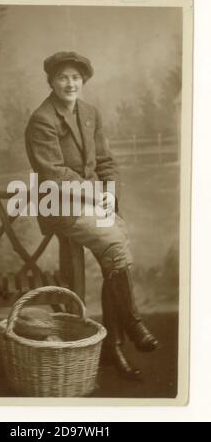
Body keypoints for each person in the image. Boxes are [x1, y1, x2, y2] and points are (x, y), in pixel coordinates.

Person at [25, 51, 158, 380]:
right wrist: (98, 195)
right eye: (62, 78)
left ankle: (113, 345)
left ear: (83, 80)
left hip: (93, 201)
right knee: (116, 244)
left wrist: (110, 194)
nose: (70, 83)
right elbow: (54, 175)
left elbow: (107, 163)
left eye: (75, 77)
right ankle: (132, 324)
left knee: (117, 252)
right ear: (51, 82)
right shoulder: (42, 120)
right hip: (60, 204)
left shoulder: (90, 113)